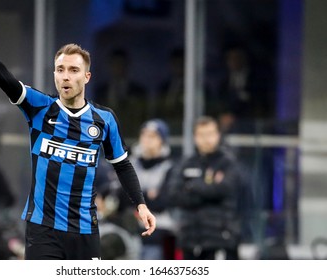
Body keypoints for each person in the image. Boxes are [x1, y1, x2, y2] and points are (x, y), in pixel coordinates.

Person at [0, 9, 155, 260]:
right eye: (60, 69)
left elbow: (123, 166)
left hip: (85, 230)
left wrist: (141, 204)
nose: (65, 76)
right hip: (43, 230)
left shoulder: (104, 119)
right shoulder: (40, 107)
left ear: (87, 76)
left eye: (73, 70)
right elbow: (4, 78)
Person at [168, 116, 242, 260]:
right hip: (189, 237)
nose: (206, 139)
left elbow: (226, 189)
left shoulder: (228, 163)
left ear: (218, 135)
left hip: (220, 237)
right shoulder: (186, 163)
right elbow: (174, 194)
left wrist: (192, 186)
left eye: (210, 134)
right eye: (201, 134)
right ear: (195, 137)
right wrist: (210, 189)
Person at [129, 119, 175, 259]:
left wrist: (135, 195)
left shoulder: (170, 167)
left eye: (153, 136)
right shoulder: (129, 163)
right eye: (144, 135)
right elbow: (120, 196)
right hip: (129, 230)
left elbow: (162, 202)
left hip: (158, 233)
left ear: (162, 140)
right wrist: (148, 195)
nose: (147, 140)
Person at [94, 48, 149, 138]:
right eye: (115, 64)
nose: (118, 67)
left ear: (127, 65)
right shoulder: (101, 91)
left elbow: (143, 117)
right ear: (110, 65)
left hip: (131, 136)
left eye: (121, 64)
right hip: (107, 137)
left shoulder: (138, 91)